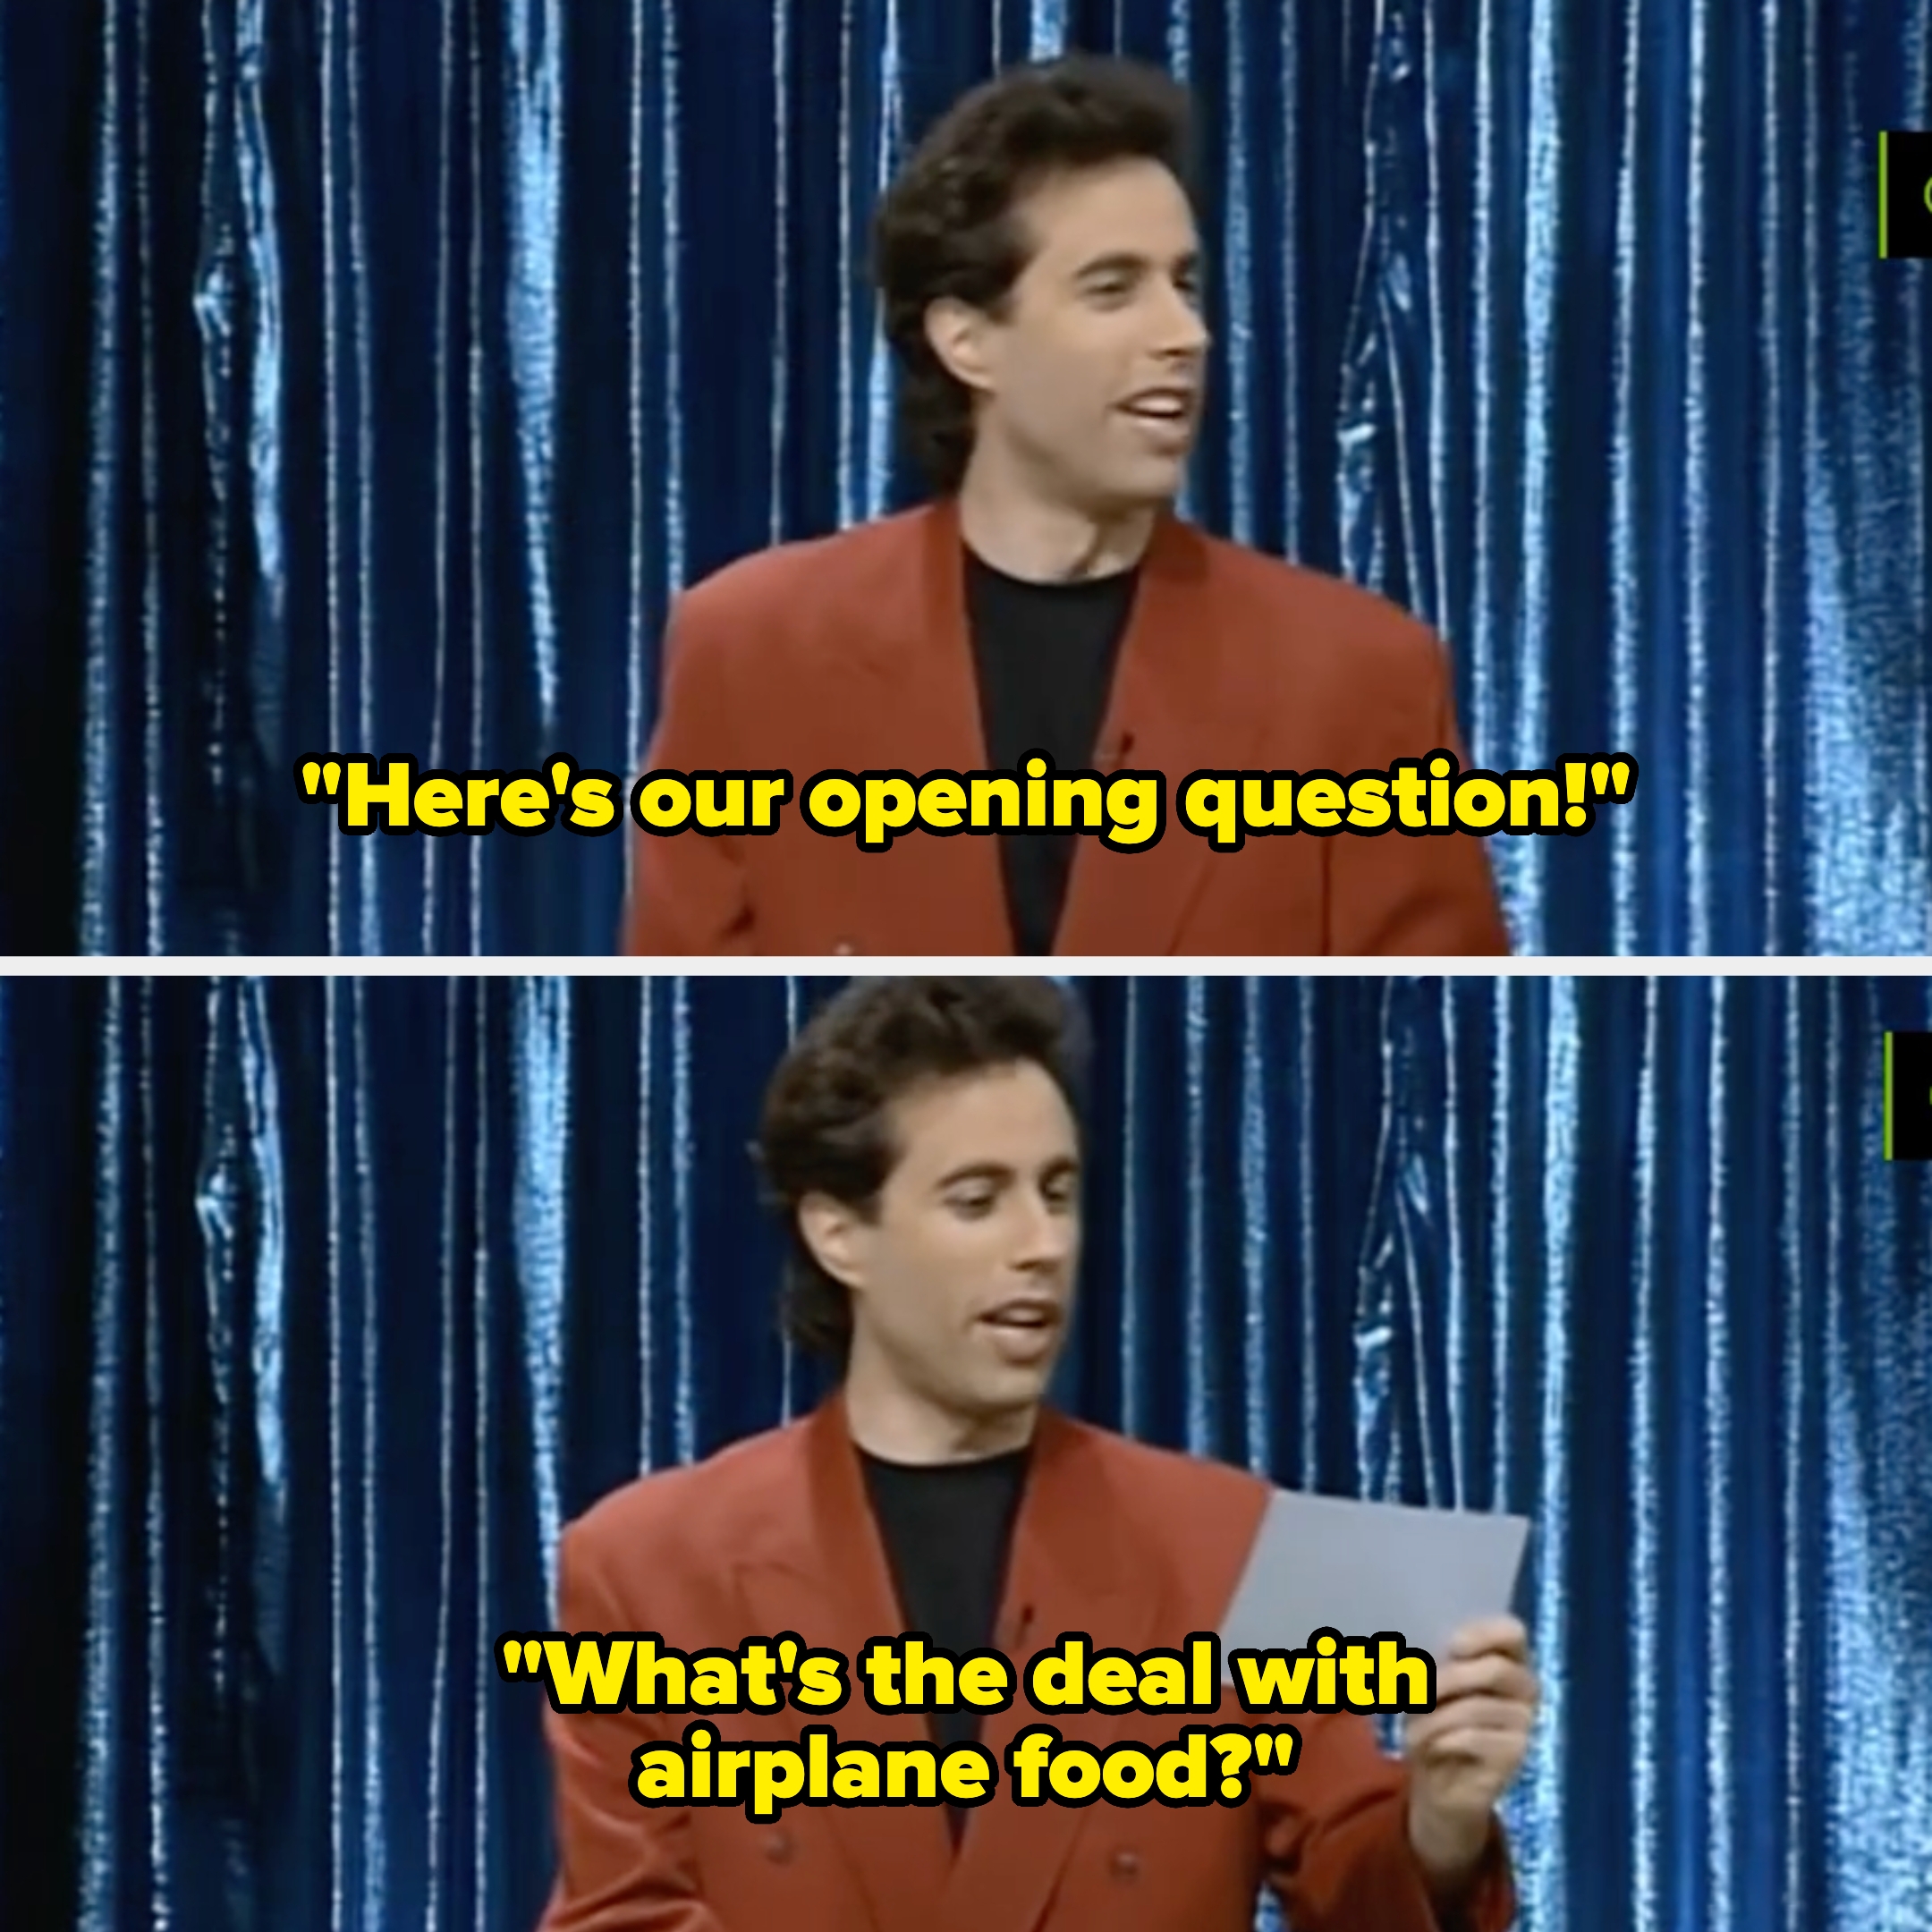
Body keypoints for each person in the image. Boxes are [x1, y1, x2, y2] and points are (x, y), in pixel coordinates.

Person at [537, 979, 1537, 1931]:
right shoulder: (645, 1568)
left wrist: (1438, 1824)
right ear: (840, 1234)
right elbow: (627, 1912)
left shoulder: (1229, 1538)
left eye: (1056, 1194)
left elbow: (1351, 1888)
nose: (1043, 1243)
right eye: (978, 1201)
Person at [621, 56, 1507, 959]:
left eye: (1185, 285)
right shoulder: (751, 649)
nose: (1183, 335)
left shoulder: (1362, 680)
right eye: (1113, 289)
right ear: (968, 341)